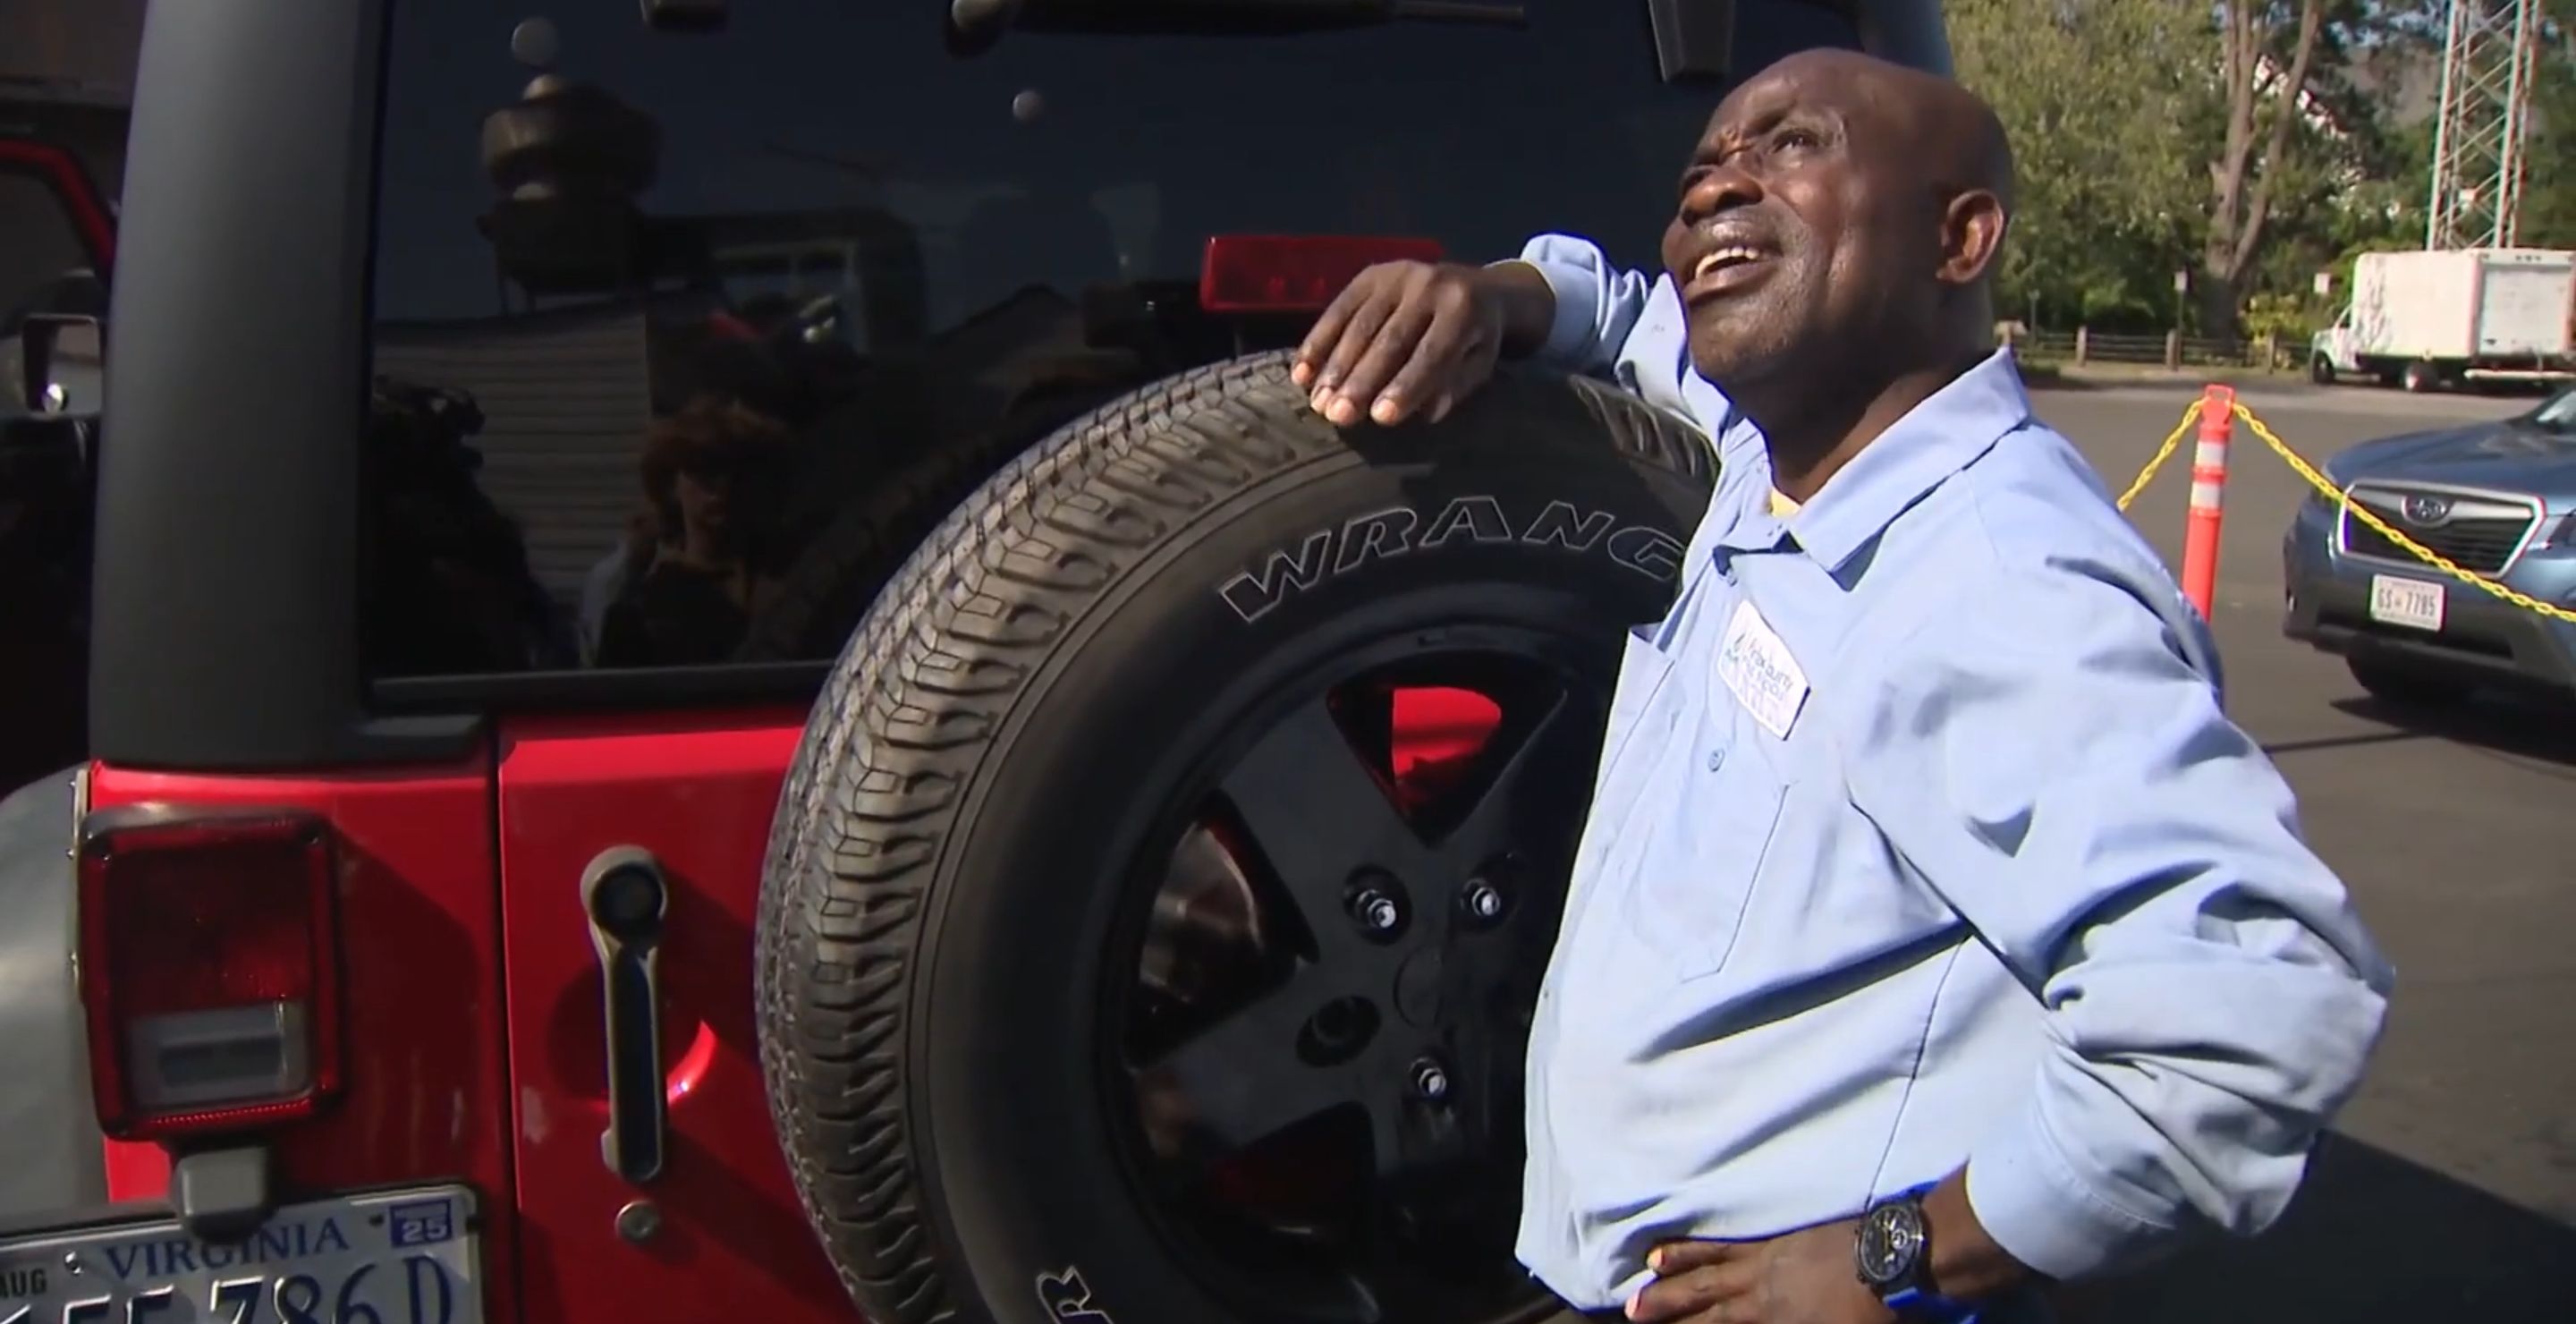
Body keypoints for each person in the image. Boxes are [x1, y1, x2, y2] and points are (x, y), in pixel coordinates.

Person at [1292, 49, 2393, 1324]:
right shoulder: (1790, 449)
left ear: (1959, 237)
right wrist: (1498, 294)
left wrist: (1903, 1256)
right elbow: (1634, 310)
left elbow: (2257, 1004)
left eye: (1791, 147)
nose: (1713, 191)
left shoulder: (2001, 585)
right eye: (1703, 166)